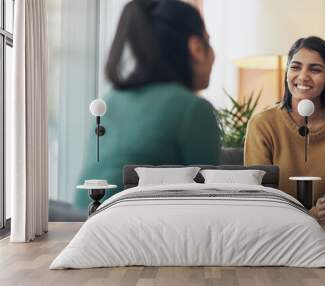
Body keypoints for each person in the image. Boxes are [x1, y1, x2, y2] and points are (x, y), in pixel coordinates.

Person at [75, 0, 220, 209]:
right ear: (196, 48)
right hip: (135, 231)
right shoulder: (193, 110)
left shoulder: (111, 99)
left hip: (81, 224)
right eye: (209, 41)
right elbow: (208, 202)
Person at [244, 36, 325, 222]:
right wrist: (309, 216)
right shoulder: (262, 125)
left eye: (315, 69)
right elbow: (259, 200)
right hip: (276, 230)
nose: (303, 76)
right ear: (286, 73)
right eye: (295, 67)